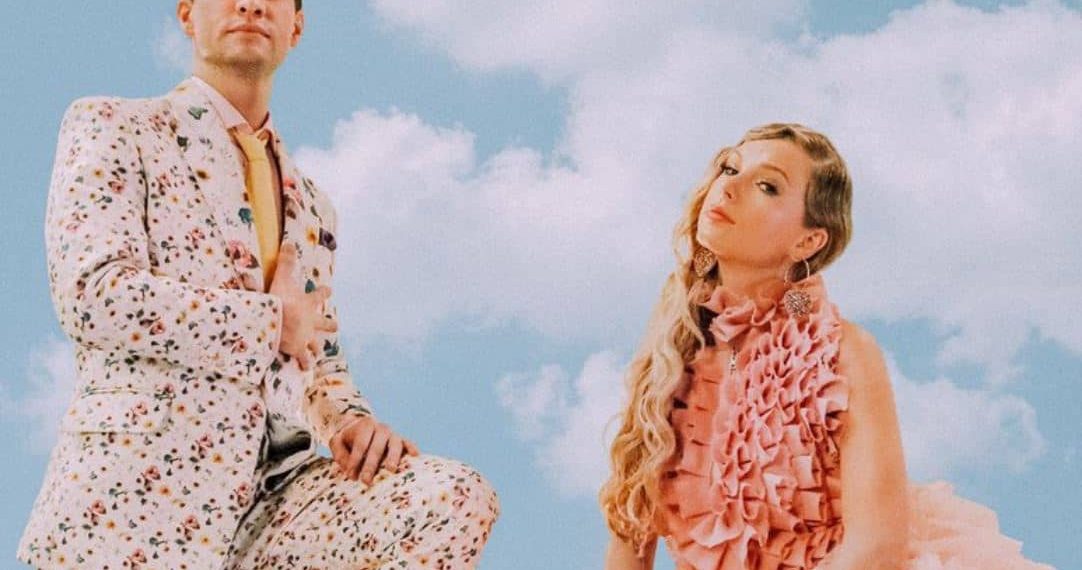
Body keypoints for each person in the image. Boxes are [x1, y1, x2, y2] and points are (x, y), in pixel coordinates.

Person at [18, 1, 498, 568]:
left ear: (296, 26)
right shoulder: (116, 126)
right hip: (140, 504)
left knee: (451, 497)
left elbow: (316, 353)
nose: (249, 4)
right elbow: (93, 295)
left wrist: (348, 420)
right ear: (187, 15)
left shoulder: (313, 204)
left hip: (279, 500)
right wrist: (270, 322)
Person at [598, 123, 1053, 569]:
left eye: (767, 186)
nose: (728, 188)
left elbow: (875, 548)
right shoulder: (668, 353)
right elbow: (628, 534)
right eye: (729, 169)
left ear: (808, 241)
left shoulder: (843, 353)